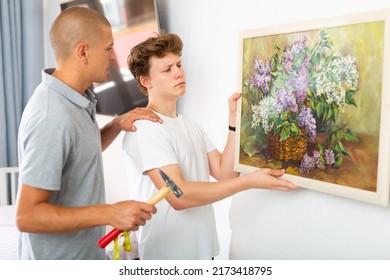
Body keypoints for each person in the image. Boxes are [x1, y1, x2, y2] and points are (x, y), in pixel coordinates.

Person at [123, 33, 299, 260]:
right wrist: (249, 181)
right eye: (167, 70)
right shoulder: (146, 129)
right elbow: (179, 195)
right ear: (145, 81)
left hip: (205, 253)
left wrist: (233, 121)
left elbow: (225, 174)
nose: (178, 72)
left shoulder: (189, 124)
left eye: (178, 64)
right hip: (168, 258)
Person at [16, 7, 160, 260]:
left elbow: (77, 154)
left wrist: (116, 124)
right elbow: (27, 216)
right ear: (83, 52)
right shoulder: (51, 117)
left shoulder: (76, 100)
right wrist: (109, 213)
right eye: (108, 48)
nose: (113, 57)